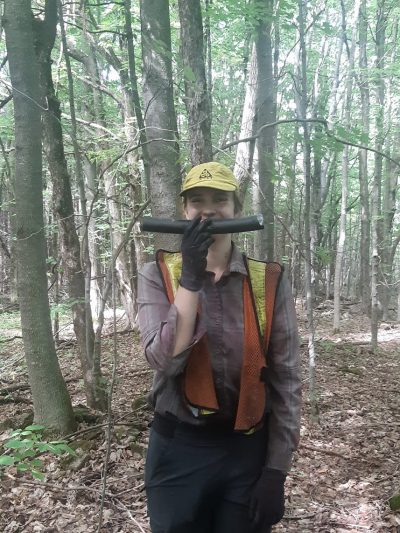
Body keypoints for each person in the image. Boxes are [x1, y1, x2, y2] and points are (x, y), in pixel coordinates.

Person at [138, 161, 301, 533]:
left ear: (236, 209)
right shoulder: (157, 275)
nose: (208, 209)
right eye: (197, 200)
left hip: (246, 449)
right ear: (184, 211)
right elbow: (163, 360)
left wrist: (276, 471)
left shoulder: (268, 280)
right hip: (178, 447)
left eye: (219, 200)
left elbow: (286, 380)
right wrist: (191, 279)